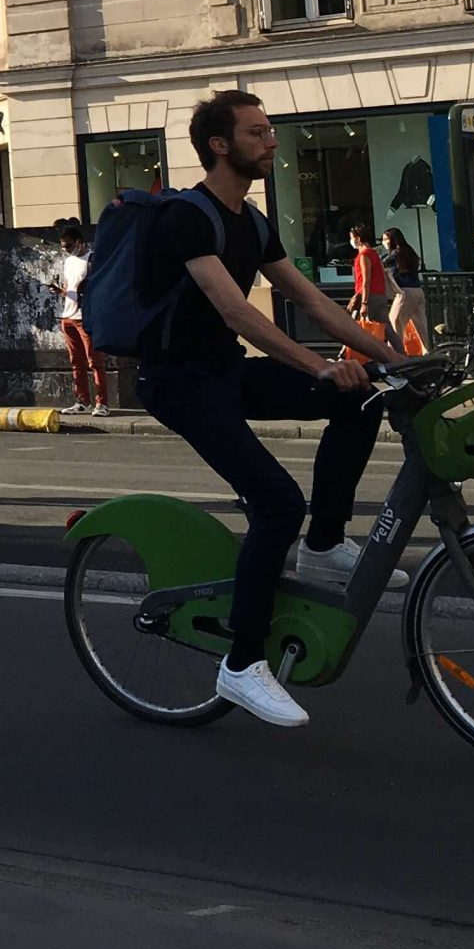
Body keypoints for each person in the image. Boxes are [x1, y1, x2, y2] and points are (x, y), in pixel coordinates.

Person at [139, 91, 412, 730]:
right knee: (277, 503)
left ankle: (321, 546)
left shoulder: (253, 221)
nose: (272, 142)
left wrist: (393, 360)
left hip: (226, 374)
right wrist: (318, 366)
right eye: (258, 132)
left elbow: (316, 303)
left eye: (270, 131)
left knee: (363, 392)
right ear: (219, 145)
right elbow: (237, 311)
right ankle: (241, 663)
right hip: (178, 384)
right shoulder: (188, 215)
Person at [52, 220, 108, 417]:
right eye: (63, 246)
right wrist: (61, 291)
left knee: (94, 361)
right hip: (68, 315)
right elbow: (70, 288)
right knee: (76, 362)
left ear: (79, 242)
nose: (66, 250)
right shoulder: (68, 262)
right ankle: (82, 400)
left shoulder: (92, 259)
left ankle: (101, 403)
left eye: (68, 245)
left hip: (86, 317)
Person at [380, 227, 427, 353]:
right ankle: (427, 353)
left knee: (395, 321)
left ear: (393, 240)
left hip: (404, 291)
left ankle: (395, 353)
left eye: (385, 239)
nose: (383, 242)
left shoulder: (395, 254)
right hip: (418, 290)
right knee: (421, 326)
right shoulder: (409, 251)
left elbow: (383, 264)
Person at [345, 223, 391, 351]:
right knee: (388, 330)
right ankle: (402, 356)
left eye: (352, 238)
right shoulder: (374, 253)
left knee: (358, 329)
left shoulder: (364, 255)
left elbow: (366, 280)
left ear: (358, 238)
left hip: (368, 296)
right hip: (380, 295)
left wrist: (364, 303)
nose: (351, 241)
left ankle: (350, 356)